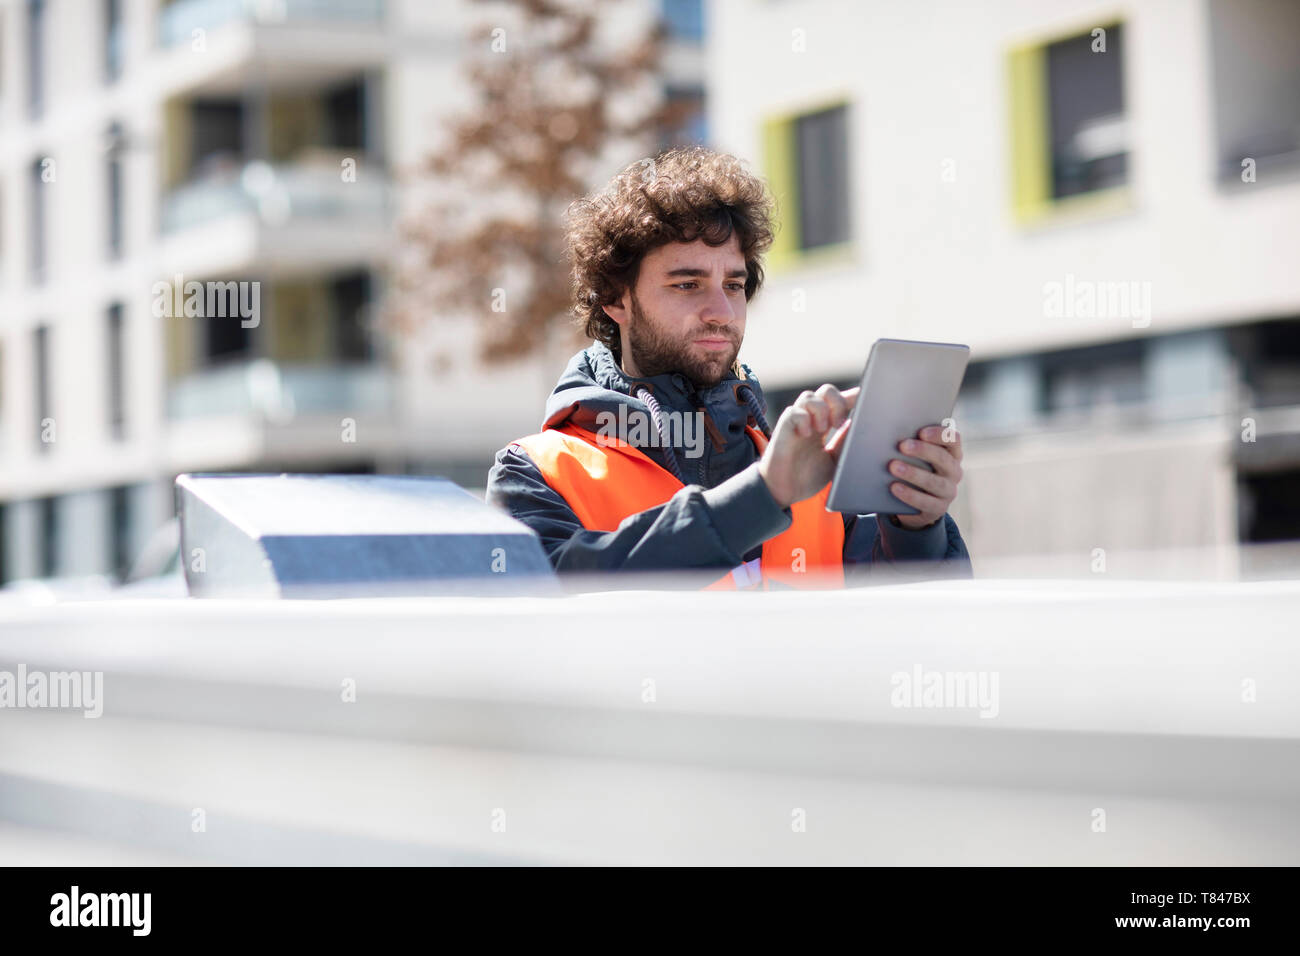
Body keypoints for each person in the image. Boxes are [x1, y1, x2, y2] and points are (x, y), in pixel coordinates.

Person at [486, 146, 971, 588]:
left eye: (734, 285)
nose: (721, 311)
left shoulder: (810, 465)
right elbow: (555, 606)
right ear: (616, 299)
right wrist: (761, 497)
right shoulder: (534, 472)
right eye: (687, 284)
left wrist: (915, 527)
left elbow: (912, 636)